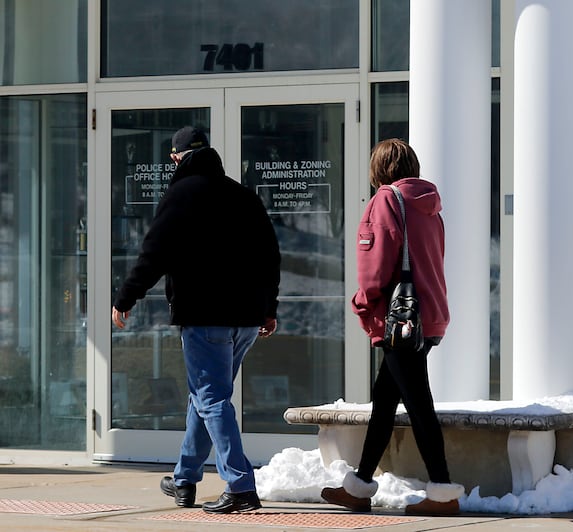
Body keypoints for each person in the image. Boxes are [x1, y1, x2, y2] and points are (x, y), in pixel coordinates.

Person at [111, 126, 281, 514]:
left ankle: (240, 485)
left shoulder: (181, 194)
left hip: (205, 316)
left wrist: (126, 297)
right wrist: (268, 308)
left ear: (177, 158)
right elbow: (270, 255)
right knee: (203, 397)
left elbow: (154, 252)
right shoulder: (242, 195)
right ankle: (185, 479)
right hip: (246, 319)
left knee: (211, 397)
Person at [321, 139, 464, 516]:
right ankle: (359, 486)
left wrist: (364, 300)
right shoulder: (430, 205)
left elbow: (376, 260)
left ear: (379, 168)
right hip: (426, 315)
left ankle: (443, 493)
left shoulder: (386, 199)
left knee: (418, 403)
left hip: (400, 320)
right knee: (385, 400)